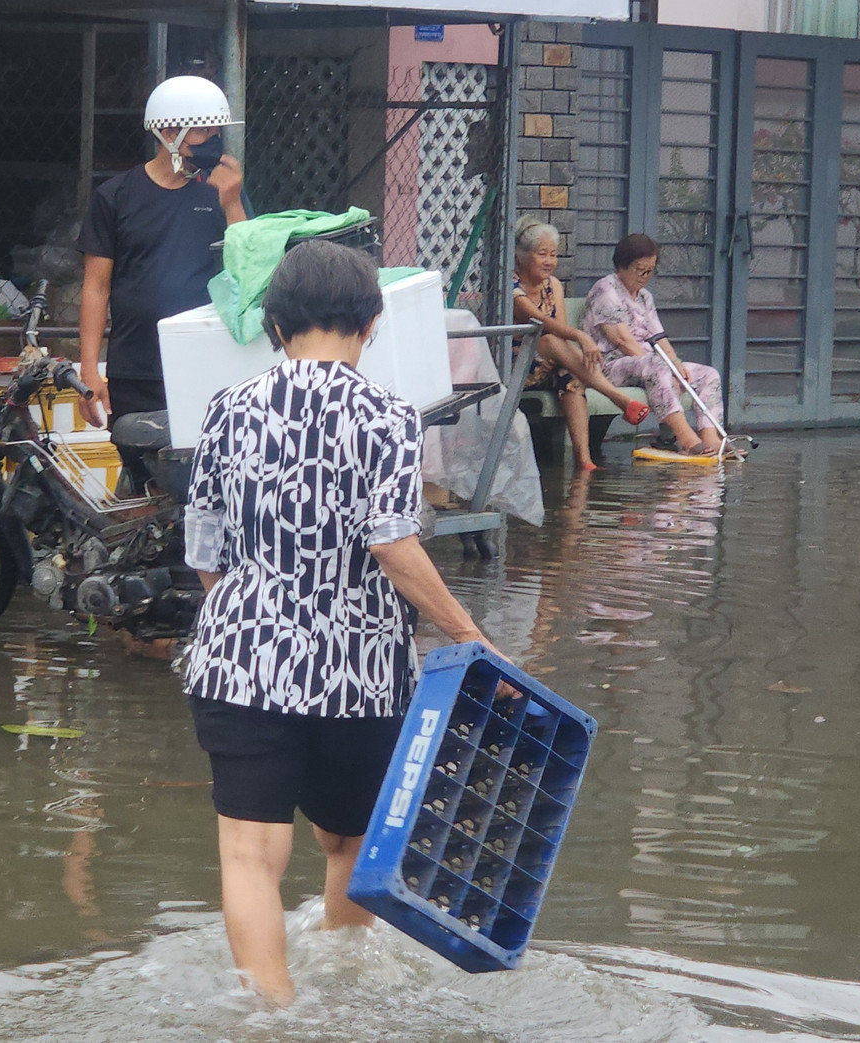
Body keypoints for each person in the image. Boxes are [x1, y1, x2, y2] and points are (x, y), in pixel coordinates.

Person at [181, 240, 507, 1006]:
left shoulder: (227, 408)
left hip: (242, 664)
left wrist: (250, 618)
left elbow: (204, 547)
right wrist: (469, 635)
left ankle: (273, 1012)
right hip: (359, 676)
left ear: (276, 323)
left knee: (250, 854)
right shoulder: (390, 415)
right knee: (351, 842)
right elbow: (392, 543)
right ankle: (347, 988)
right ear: (370, 322)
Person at [75, 75, 248, 432]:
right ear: (169, 133)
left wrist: (232, 204)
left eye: (217, 131)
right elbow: (95, 287)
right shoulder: (116, 196)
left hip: (207, 362)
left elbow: (248, 268)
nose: (213, 140)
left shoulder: (223, 189)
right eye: (203, 131)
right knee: (139, 459)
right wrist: (89, 370)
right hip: (136, 368)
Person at [512, 217, 649, 472]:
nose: (549, 261)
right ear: (522, 256)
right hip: (517, 367)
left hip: (552, 363)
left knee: (570, 376)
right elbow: (541, 323)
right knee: (548, 338)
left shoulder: (553, 285)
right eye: (542, 254)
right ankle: (618, 398)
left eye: (553, 254)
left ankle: (584, 460)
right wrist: (582, 337)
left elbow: (562, 331)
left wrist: (573, 346)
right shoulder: (512, 288)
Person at [582, 233, 730, 457]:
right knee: (658, 366)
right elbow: (622, 341)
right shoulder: (605, 289)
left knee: (708, 374)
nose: (645, 277)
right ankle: (686, 439)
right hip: (610, 366)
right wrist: (664, 367)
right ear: (622, 266)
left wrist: (676, 364)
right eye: (640, 270)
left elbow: (659, 337)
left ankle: (711, 437)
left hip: (647, 365)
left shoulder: (644, 297)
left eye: (650, 271)